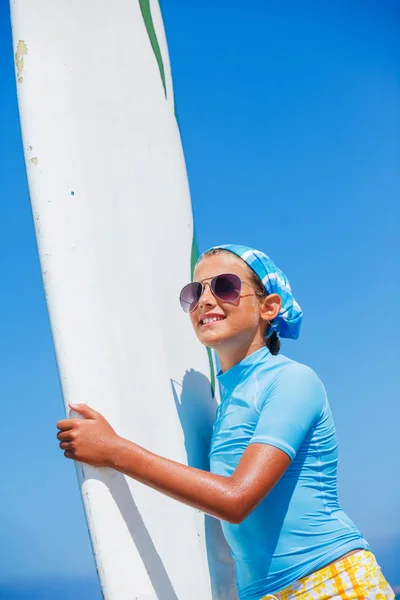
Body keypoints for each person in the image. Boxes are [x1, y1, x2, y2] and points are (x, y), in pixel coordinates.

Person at [57, 244, 395, 600]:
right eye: (195, 291)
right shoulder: (225, 406)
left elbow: (237, 499)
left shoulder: (292, 381)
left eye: (225, 286)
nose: (205, 300)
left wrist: (115, 451)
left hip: (329, 580)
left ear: (269, 307)